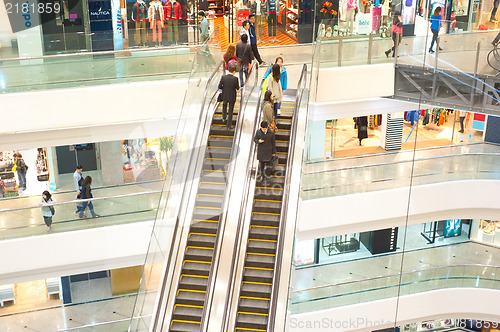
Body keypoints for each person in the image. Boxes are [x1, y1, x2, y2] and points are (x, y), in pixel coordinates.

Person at [218, 63, 240, 130]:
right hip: (232, 97)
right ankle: (228, 126)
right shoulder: (235, 79)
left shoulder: (223, 77)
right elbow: (237, 87)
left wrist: (223, 89)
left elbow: (219, 86)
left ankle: (224, 117)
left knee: (224, 106)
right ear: (234, 71)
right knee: (230, 111)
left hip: (225, 96)